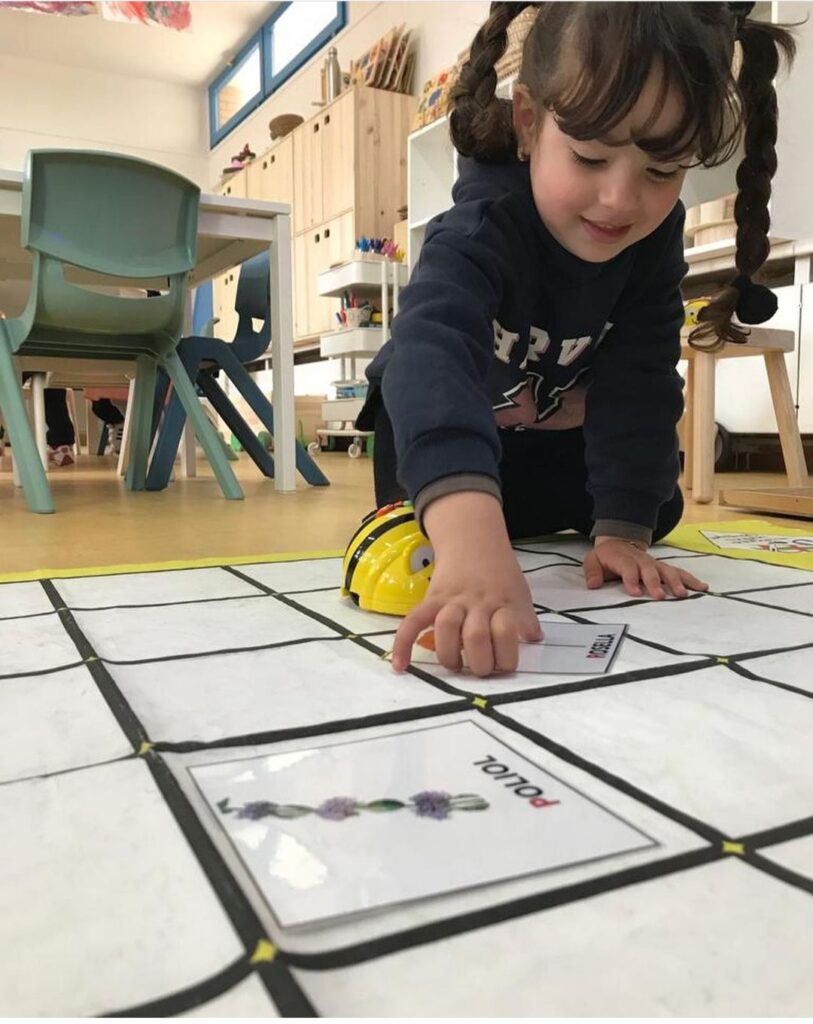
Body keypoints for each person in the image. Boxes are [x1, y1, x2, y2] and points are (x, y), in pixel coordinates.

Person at [357, 2, 795, 677]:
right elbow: (427, 357)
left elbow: (643, 379)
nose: (620, 200)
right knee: (428, 518)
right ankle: (473, 513)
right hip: (438, 428)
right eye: (589, 157)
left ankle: (514, 517)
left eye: (661, 170)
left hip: (539, 441)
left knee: (652, 505)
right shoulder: (482, 224)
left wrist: (621, 532)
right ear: (528, 123)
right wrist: (470, 542)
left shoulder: (652, 242)